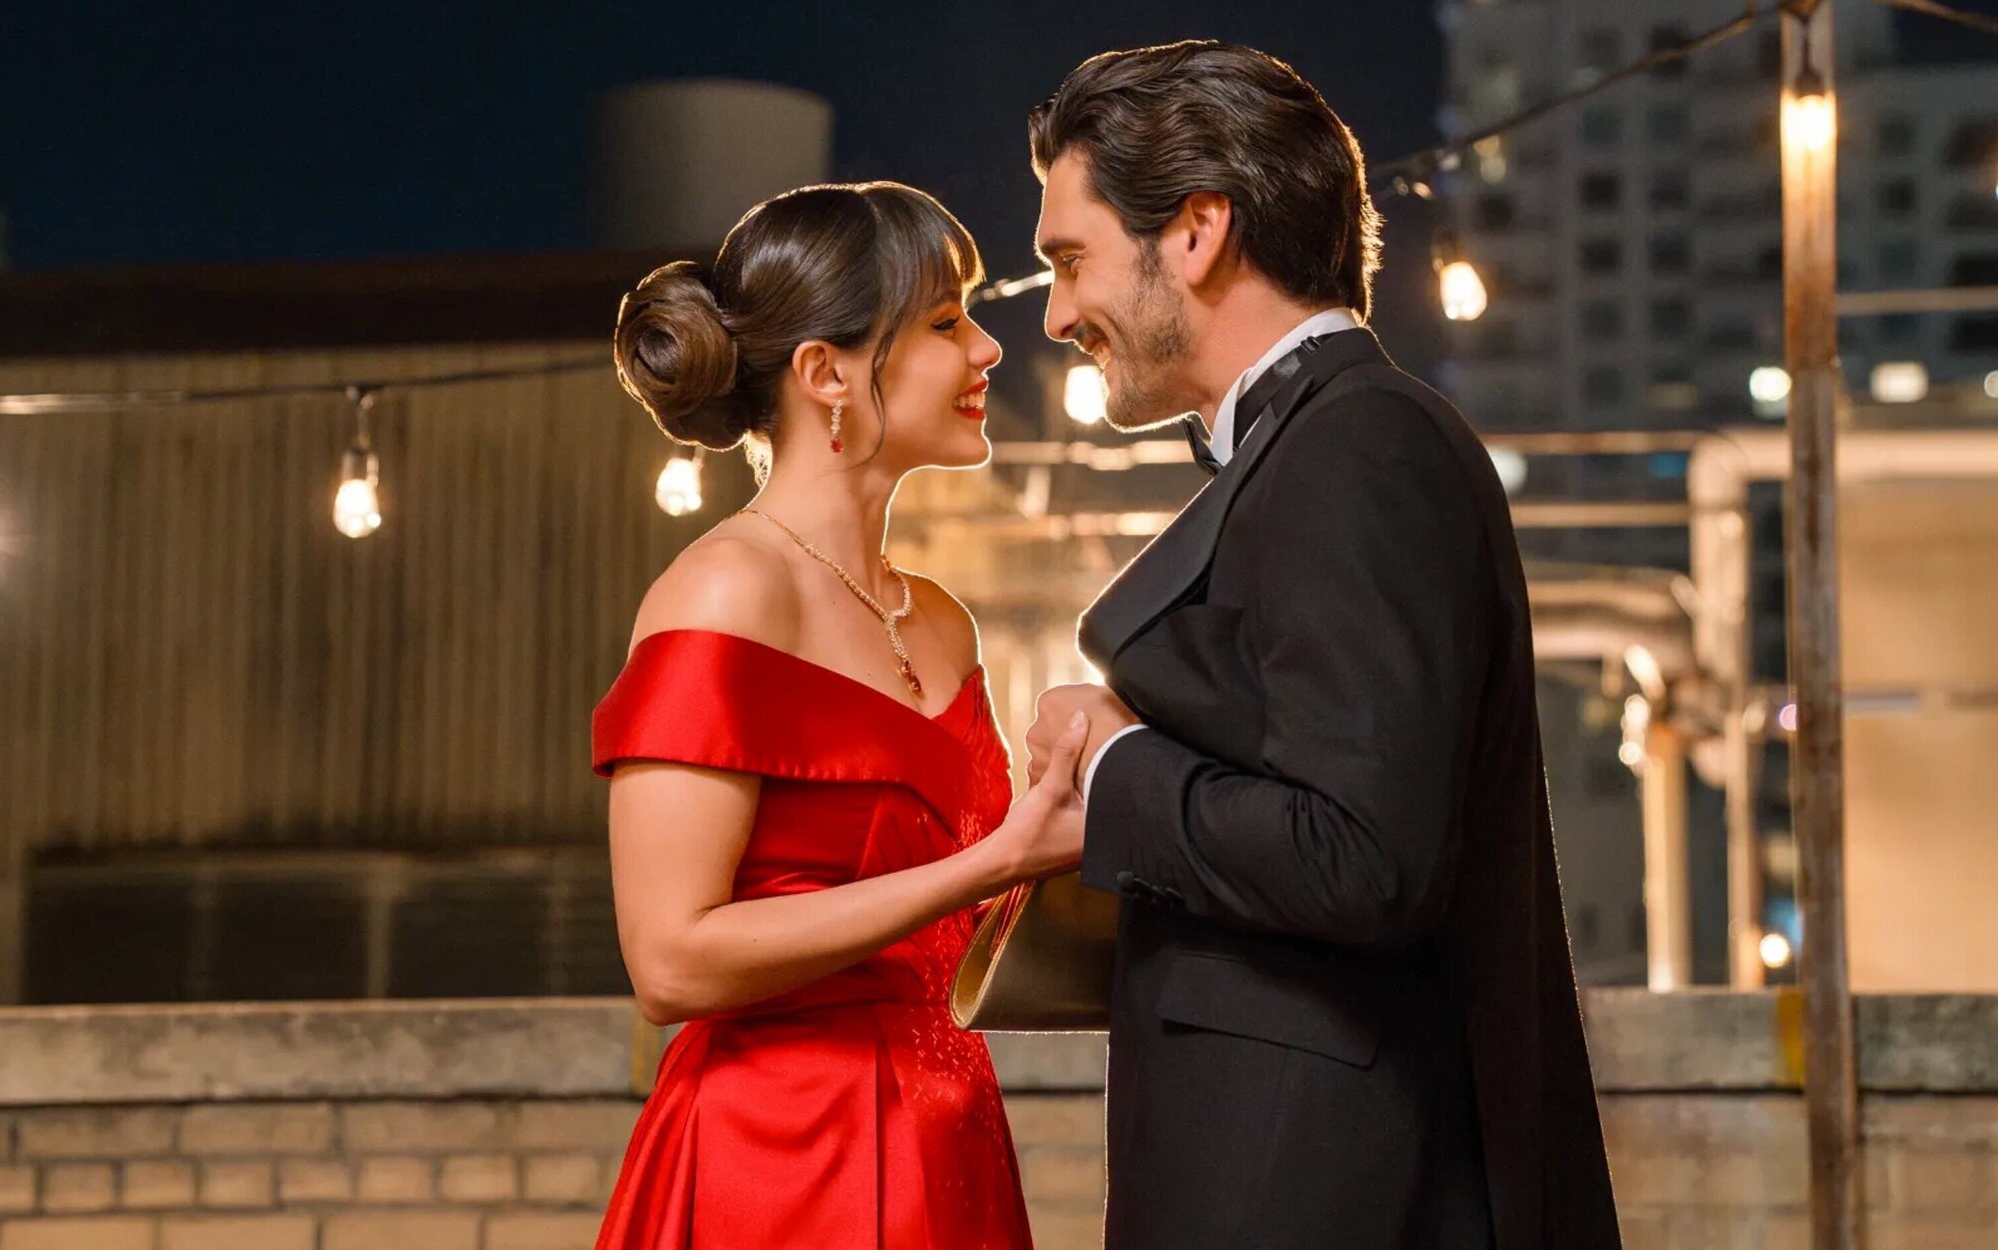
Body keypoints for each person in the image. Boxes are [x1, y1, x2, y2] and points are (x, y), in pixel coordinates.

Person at [1021, 42, 1623, 1249]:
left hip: (1319, 1189)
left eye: (1069, 259)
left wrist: (1114, 764)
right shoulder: (1318, 443)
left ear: (1196, 233)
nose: (1055, 314)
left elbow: (1361, 857)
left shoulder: (1358, 445)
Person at [590, 181, 1082, 1250]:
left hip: (950, 1131)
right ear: (825, 373)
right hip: (779, 1150)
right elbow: (669, 962)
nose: (987, 349)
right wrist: (993, 860)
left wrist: (1096, 786)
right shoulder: (726, 588)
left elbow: (975, 927)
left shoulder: (942, 623)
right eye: (945, 322)